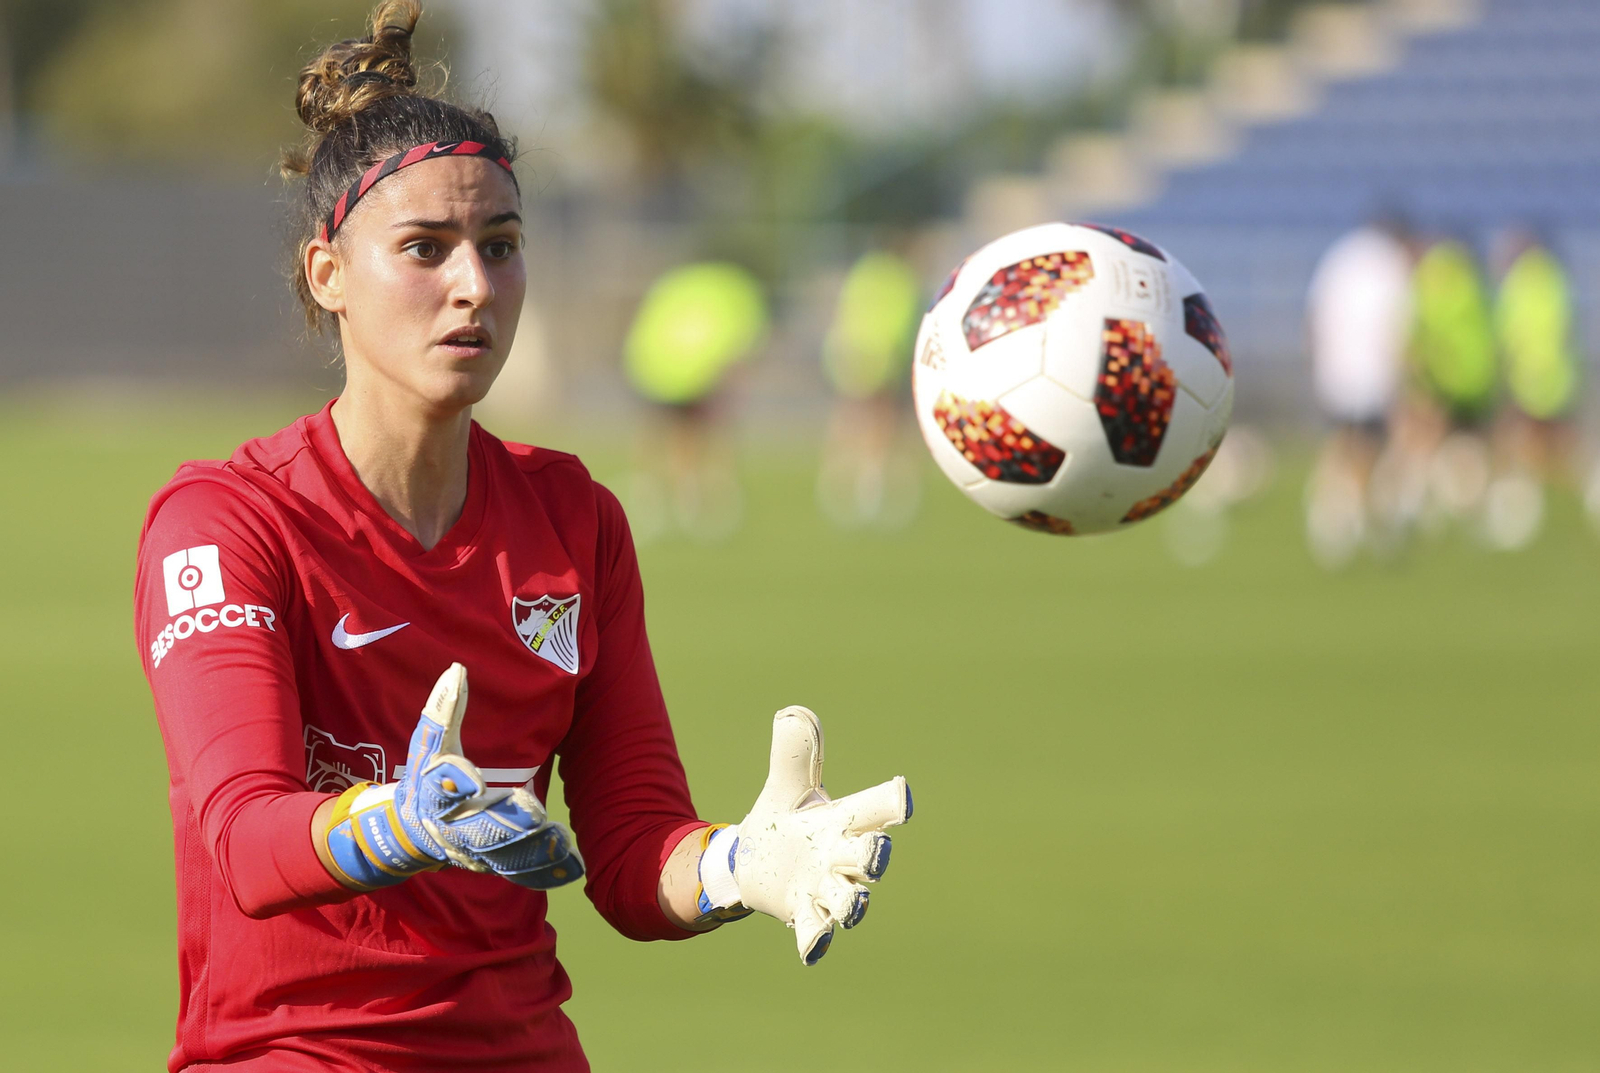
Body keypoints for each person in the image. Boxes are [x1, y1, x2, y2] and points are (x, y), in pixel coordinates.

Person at [132, 4, 911, 1070]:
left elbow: (635, 852)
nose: (474, 286)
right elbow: (248, 838)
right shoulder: (226, 520)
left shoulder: (574, 519)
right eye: (424, 248)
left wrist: (736, 862)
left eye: (500, 247)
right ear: (328, 275)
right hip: (297, 1052)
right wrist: (396, 822)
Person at [621, 259, 768, 542]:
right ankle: (688, 498)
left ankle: (666, 498)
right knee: (691, 436)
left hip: (661, 367)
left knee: (665, 437)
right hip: (690, 370)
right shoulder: (725, 289)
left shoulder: (673, 286)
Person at [1302, 214, 1415, 567]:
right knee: (1372, 447)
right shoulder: (1391, 264)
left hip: (1337, 371)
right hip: (1374, 372)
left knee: (1343, 443)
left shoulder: (1340, 256)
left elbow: (1315, 314)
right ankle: (1361, 518)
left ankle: (1334, 517)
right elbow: (1401, 321)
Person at [815, 244, 925, 529]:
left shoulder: (863, 272)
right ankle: (869, 483)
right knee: (881, 421)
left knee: (851, 416)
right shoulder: (898, 277)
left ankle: (842, 478)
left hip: (851, 350)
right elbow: (902, 318)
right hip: (880, 352)